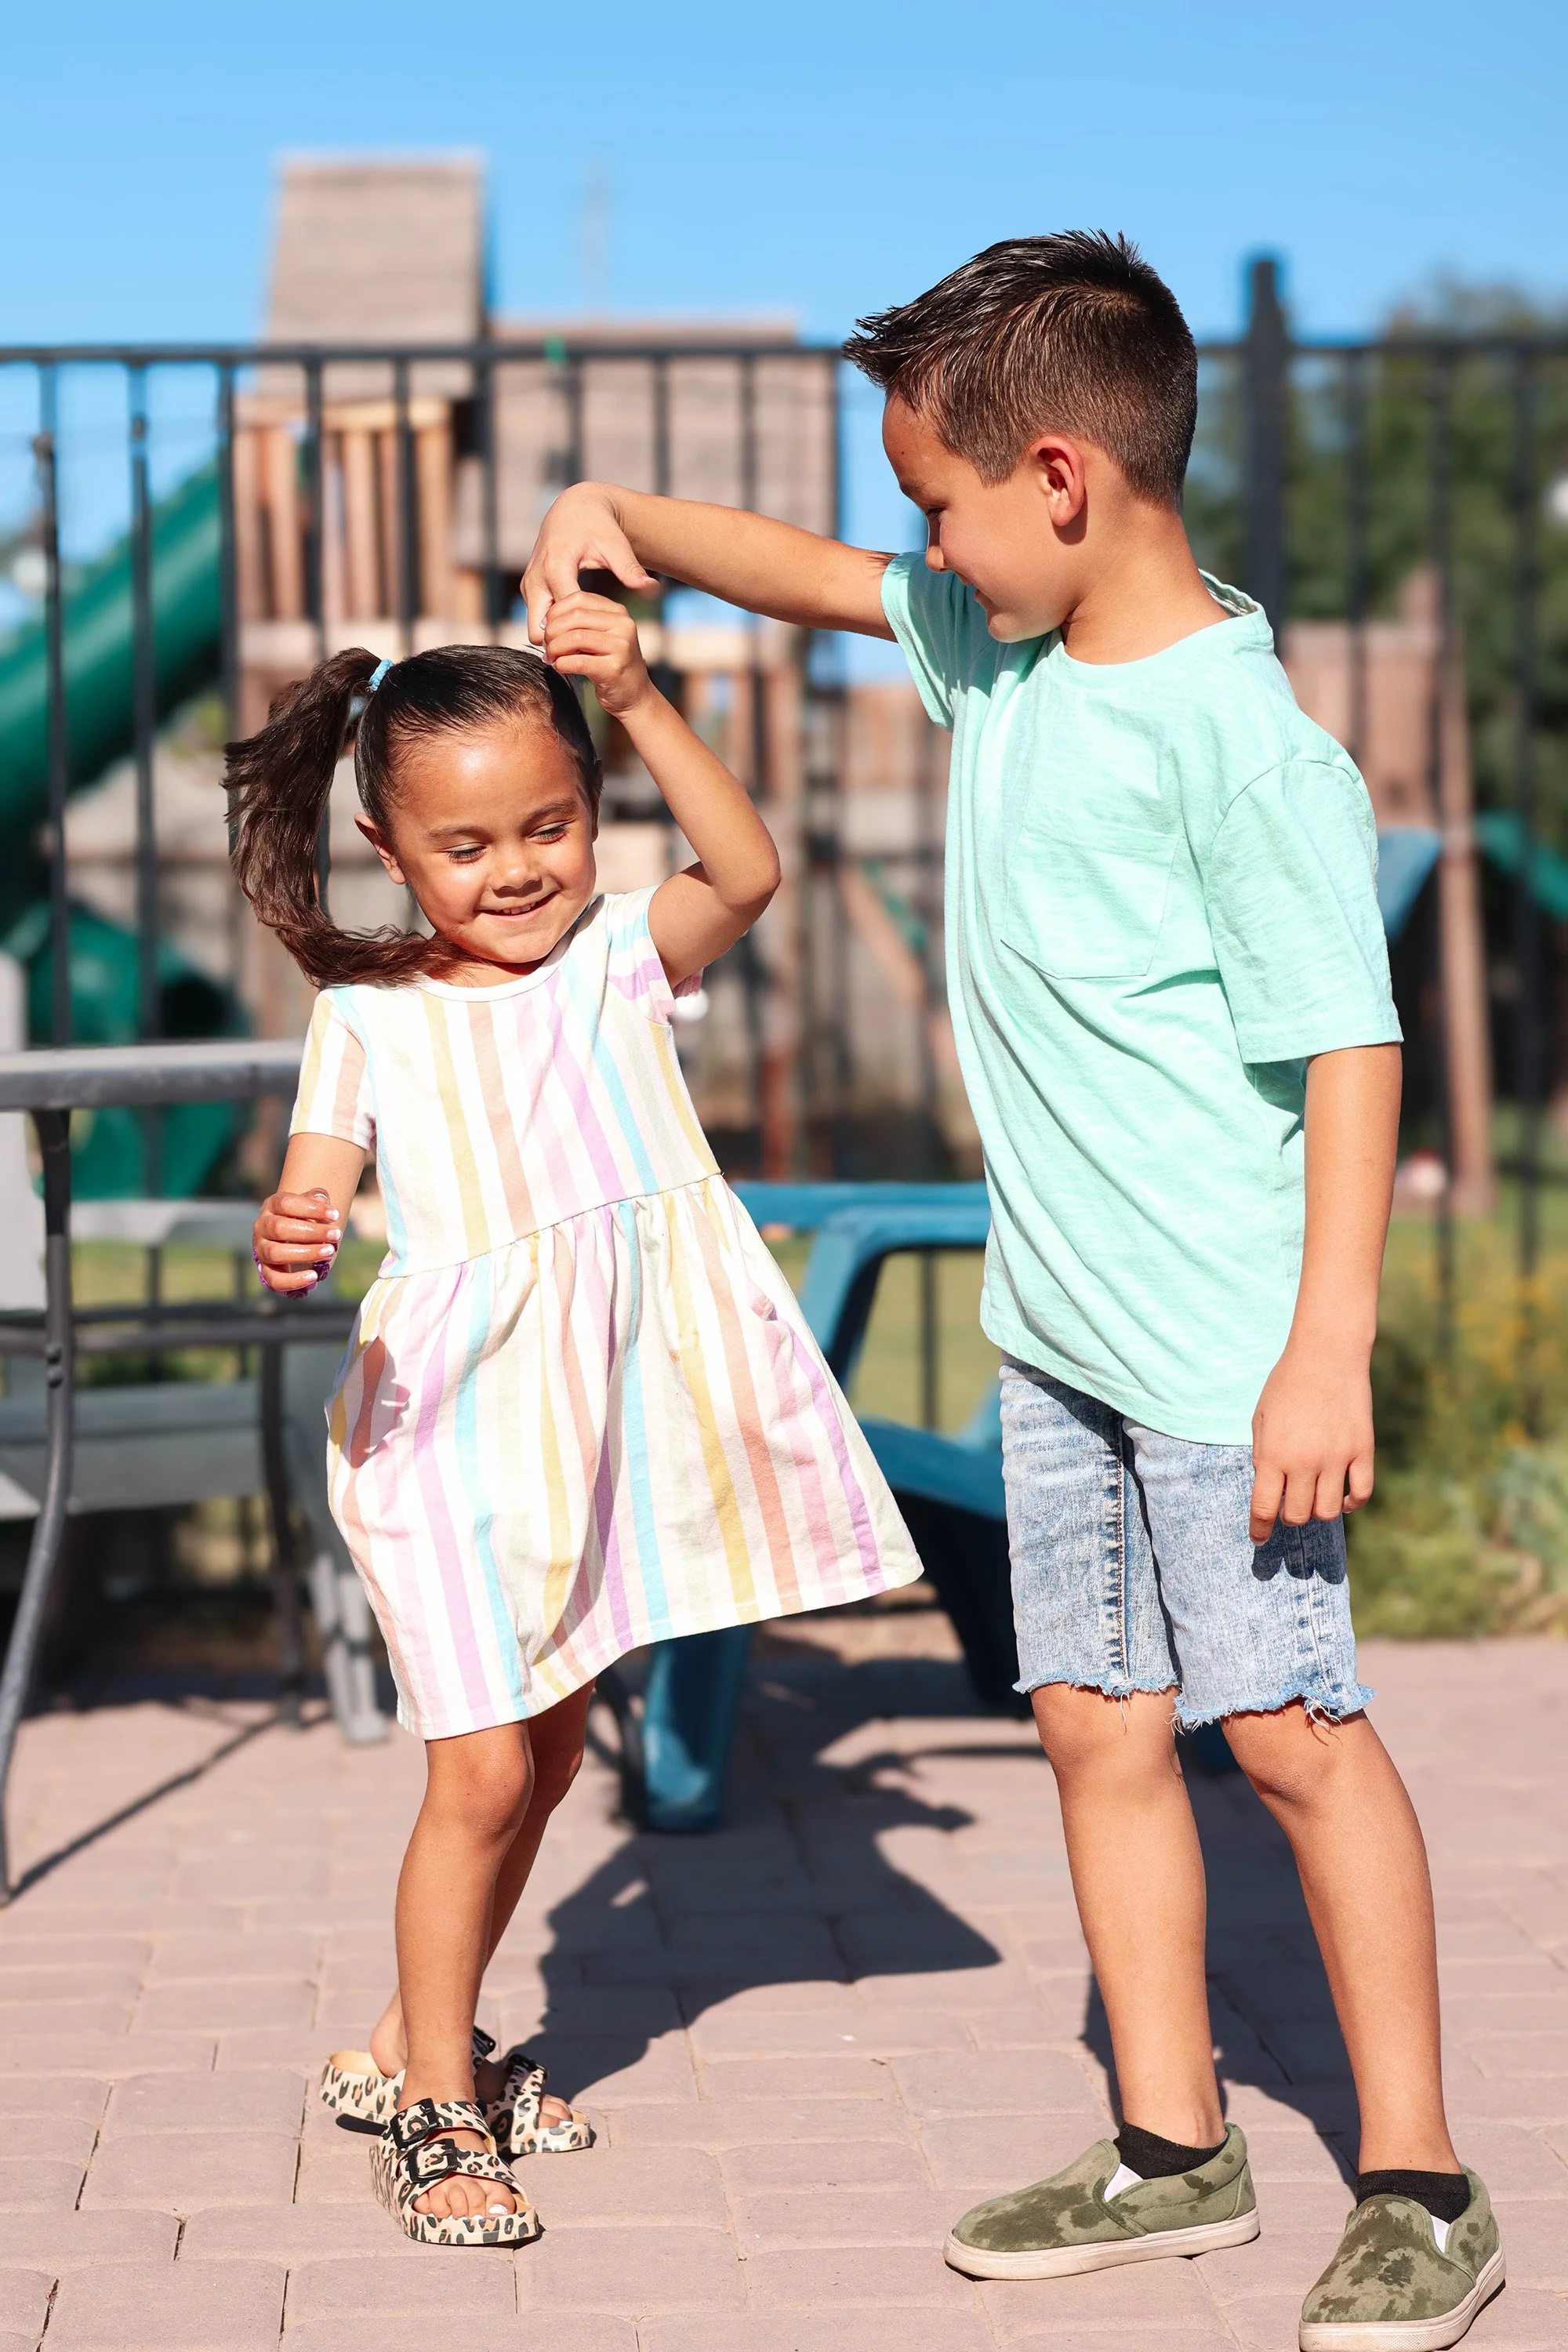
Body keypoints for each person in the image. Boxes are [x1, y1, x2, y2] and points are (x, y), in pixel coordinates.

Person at [521, 234, 1503, 2349]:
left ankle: (1421, 2181)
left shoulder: (1241, 748)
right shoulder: (1009, 654)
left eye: (941, 508)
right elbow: (789, 566)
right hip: (1061, 1344)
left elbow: (1356, 1048)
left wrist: (1327, 1344)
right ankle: (1174, 2149)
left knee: (1300, 1740)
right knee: (1089, 1724)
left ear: (1061, 478)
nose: (921, 556)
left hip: (1233, 1359)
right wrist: (614, 523)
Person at [232, 600, 922, 2246]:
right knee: (479, 1770)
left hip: (592, 1439)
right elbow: (314, 1181)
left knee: (545, 1754)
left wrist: (642, 695)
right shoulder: (371, 1018)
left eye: (549, 823)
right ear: (391, 852)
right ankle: (435, 2112)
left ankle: (414, 2034)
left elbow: (744, 870)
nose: (517, 867)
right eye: (466, 843)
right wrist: (293, 1227)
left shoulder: (623, 956)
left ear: (593, 811)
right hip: (448, 1439)